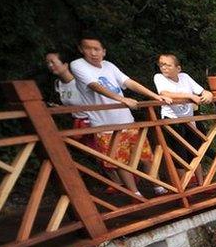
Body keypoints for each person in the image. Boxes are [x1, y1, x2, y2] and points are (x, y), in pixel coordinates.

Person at [70, 37, 172, 197]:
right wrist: (122, 99)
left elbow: (129, 82)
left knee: (145, 156)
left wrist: (155, 95)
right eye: (88, 48)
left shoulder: (109, 66)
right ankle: (135, 194)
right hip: (105, 126)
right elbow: (94, 86)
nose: (93, 52)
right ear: (81, 50)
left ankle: (158, 187)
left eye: (97, 49)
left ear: (103, 51)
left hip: (126, 120)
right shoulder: (77, 65)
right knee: (120, 162)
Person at [153, 54, 213, 185]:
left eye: (168, 65)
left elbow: (202, 92)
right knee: (179, 155)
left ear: (178, 68)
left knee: (194, 152)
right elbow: (164, 94)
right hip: (172, 121)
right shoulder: (159, 77)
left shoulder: (184, 77)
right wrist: (190, 96)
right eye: (161, 64)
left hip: (189, 120)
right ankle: (184, 186)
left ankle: (201, 183)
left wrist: (208, 94)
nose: (164, 67)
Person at [45, 50, 94, 148]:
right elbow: (72, 105)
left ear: (65, 64)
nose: (50, 65)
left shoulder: (81, 81)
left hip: (93, 125)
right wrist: (59, 108)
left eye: (52, 61)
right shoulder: (58, 84)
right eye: (47, 63)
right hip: (78, 125)